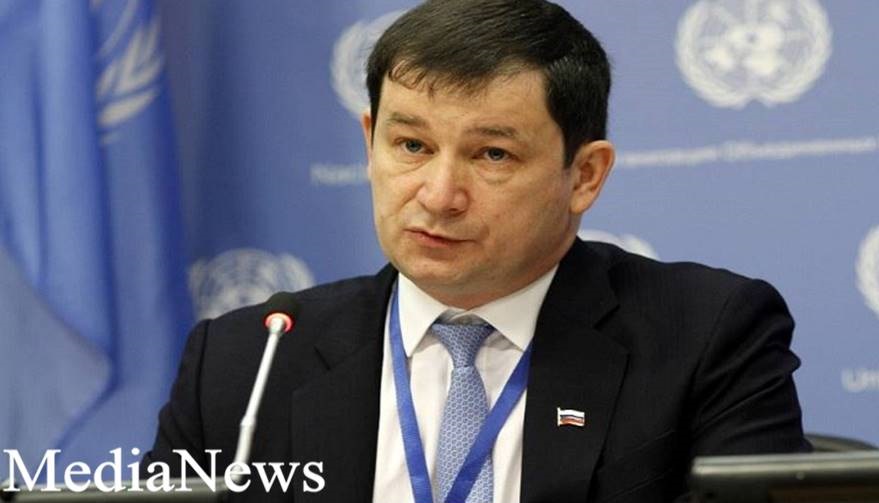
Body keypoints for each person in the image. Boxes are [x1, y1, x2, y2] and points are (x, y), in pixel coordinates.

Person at [144, 0, 810, 501]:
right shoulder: (247, 361)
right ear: (370, 142)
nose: (439, 195)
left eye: (492, 154)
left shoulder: (704, 336)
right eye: (411, 146)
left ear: (584, 175)